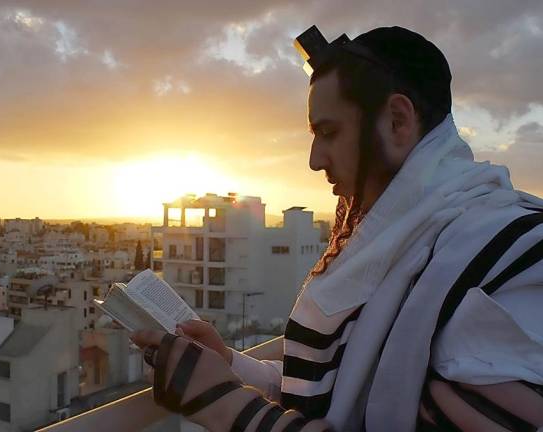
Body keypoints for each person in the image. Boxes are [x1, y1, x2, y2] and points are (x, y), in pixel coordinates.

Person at [132, 25, 543, 431]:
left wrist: (221, 403)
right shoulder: (415, 238)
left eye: (328, 132)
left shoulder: (509, 261)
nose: (314, 159)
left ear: (398, 122)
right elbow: (341, 392)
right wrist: (229, 365)